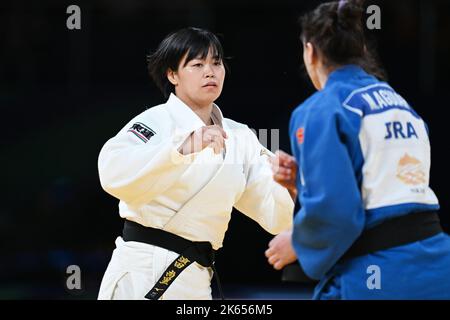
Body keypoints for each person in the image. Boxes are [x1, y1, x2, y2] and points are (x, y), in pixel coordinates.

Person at [265, 0, 450, 299]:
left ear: (310, 52)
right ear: (362, 51)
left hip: (378, 274)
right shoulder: (401, 104)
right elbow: (387, 190)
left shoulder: (320, 109)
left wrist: (298, 243)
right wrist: (305, 181)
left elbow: (339, 214)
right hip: (437, 265)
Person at [96, 27, 294, 300]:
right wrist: (180, 150)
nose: (210, 71)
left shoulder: (240, 137)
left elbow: (276, 215)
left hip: (196, 276)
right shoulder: (156, 122)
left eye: (216, 62)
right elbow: (112, 173)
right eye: (197, 64)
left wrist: (290, 187)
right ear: (172, 74)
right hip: (144, 270)